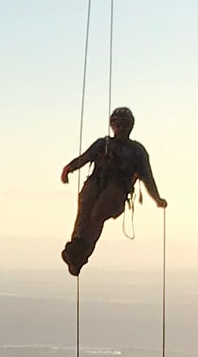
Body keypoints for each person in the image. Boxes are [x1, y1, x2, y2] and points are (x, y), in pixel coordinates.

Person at [60, 106, 166, 274]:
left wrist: (157, 198)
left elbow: (147, 178)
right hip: (97, 183)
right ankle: (76, 250)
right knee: (86, 209)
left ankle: (80, 253)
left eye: (123, 125)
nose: (121, 129)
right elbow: (85, 157)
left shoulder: (136, 151)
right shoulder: (104, 144)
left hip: (116, 190)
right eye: (118, 125)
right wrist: (69, 168)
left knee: (96, 214)